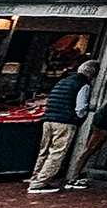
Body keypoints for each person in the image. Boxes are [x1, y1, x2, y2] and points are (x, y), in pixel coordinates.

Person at [26, 57, 101, 194]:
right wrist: (78, 119)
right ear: (92, 73)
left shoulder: (63, 81)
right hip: (65, 121)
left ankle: (36, 177)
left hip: (49, 119)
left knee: (44, 151)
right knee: (57, 152)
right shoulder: (83, 84)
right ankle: (39, 183)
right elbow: (81, 106)